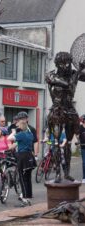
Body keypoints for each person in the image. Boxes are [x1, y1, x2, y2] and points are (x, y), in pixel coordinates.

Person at [45, 52, 85, 182]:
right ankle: (57, 173)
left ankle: (67, 173)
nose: (66, 66)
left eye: (68, 63)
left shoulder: (73, 75)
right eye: (63, 63)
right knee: (56, 143)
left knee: (67, 143)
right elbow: (67, 85)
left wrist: (81, 69)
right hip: (57, 110)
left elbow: (73, 86)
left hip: (70, 109)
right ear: (57, 64)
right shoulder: (51, 75)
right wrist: (78, 71)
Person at [8, 120, 35, 207]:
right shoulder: (30, 134)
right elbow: (20, 143)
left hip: (23, 157)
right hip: (30, 157)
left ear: (20, 127)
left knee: (22, 179)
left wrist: (14, 132)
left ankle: (24, 199)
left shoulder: (21, 134)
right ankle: (28, 197)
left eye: (18, 126)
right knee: (28, 178)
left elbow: (9, 138)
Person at [78, 114, 85, 183]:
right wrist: (77, 141)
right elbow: (78, 135)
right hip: (83, 147)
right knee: (84, 163)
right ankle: (84, 177)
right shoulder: (80, 127)